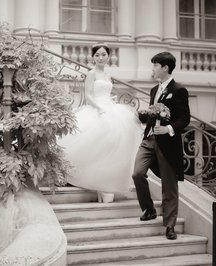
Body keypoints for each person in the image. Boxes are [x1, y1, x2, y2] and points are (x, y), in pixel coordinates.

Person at [58, 43, 143, 203]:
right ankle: (99, 185)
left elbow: (106, 92)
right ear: (93, 57)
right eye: (97, 55)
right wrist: (99, 108)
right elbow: (88, 95)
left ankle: (105, 184)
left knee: (112, 146)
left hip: (110, 107)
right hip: (97, 108)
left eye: (103, 54)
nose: (100, 57)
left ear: (108, 56)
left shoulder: (108, 75)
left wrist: (110, 103)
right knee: (96, 146)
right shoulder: (91, 74)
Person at [132, 52, 190, 240]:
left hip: (167, 143)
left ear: (165, 68)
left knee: (169, 185)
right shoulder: (153, 90)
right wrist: (143, 115)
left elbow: (185, 118)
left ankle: (170, 225)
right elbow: (153, 114)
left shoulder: (179, 90)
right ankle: (149, 210)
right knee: (137, 173)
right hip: (149, 140)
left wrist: (169, 129)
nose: (152, 69)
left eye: (155, 65)